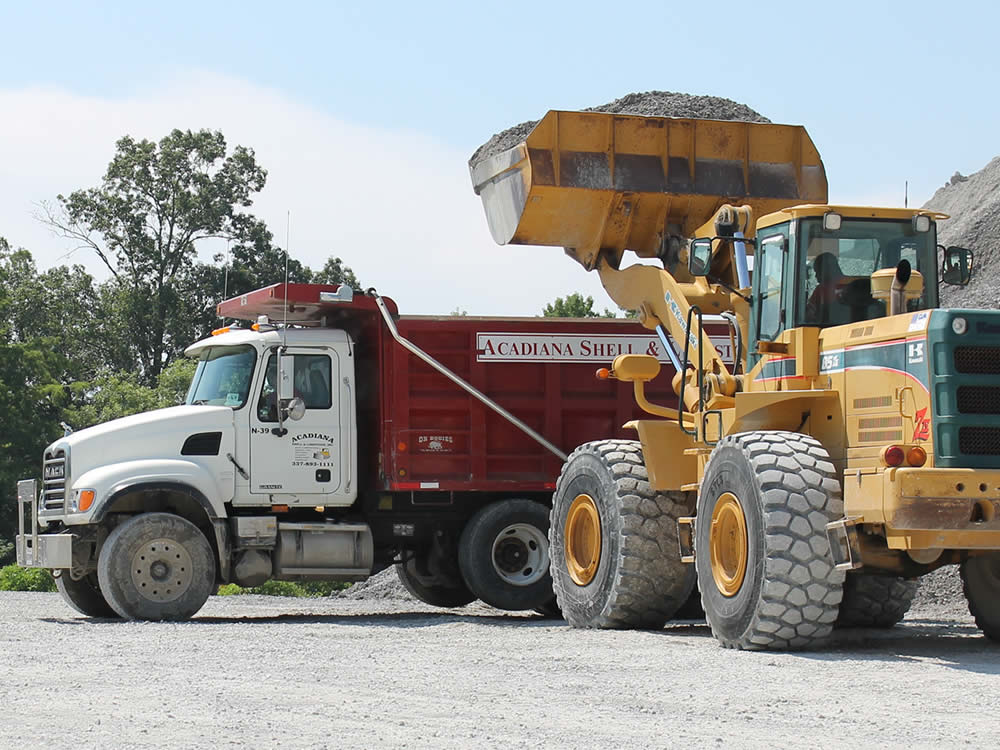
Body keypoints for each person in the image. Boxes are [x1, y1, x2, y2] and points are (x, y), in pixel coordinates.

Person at [806, 252, 845, 323]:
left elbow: (809, 315)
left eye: (817, 272)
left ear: (825, 269)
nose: (816, 276)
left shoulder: (821, 290)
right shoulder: (852, 283)